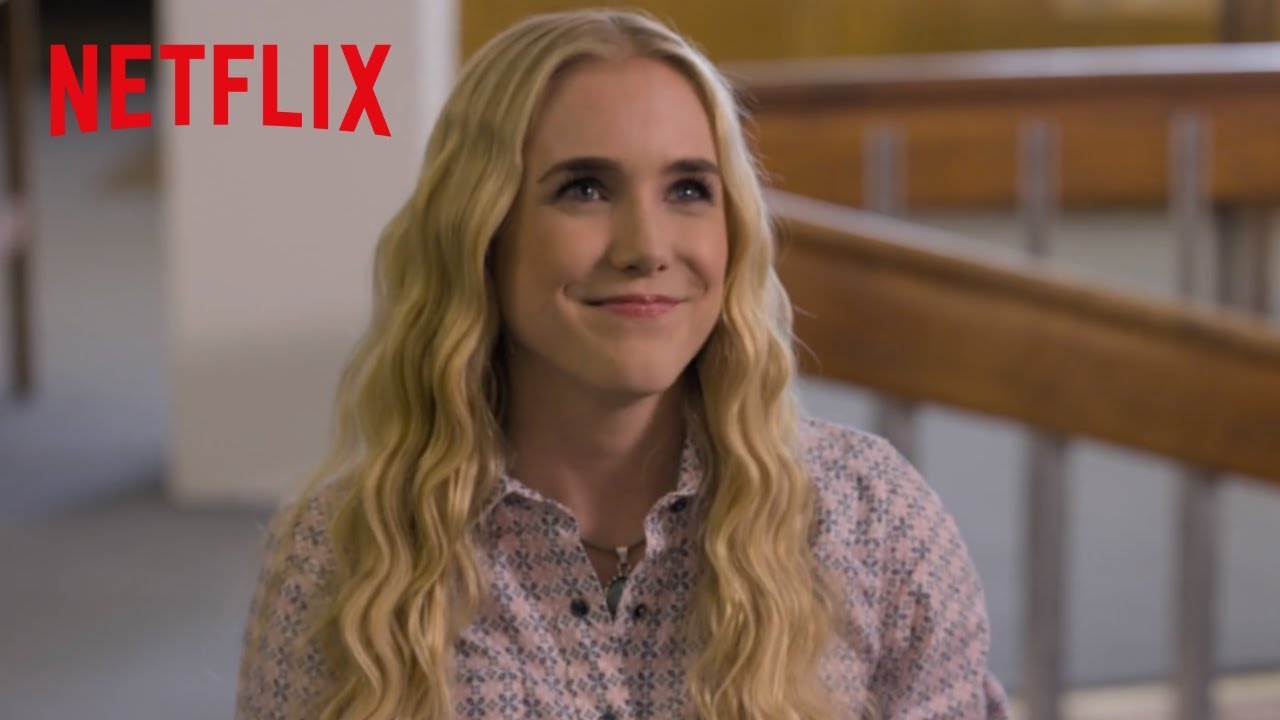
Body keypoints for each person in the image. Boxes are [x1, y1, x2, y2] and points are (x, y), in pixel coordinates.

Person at [234, 8, 1009, 720]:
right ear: (481, 232)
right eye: (585, 188)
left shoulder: (873, 521)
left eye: (688, 189)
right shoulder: (347, 554)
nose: (646, 247)